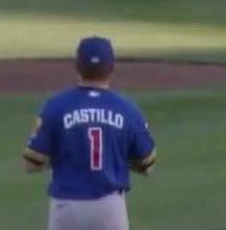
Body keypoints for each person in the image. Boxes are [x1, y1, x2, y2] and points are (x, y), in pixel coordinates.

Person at [24, 36, 157, 230]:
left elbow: (31, 164)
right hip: (110, 209)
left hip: (67, 207)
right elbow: (147, 165)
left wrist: (62, 157)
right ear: (112, 67)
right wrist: (117, 158)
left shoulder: (56, 106)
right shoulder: (127, 110)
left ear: (77, 65)